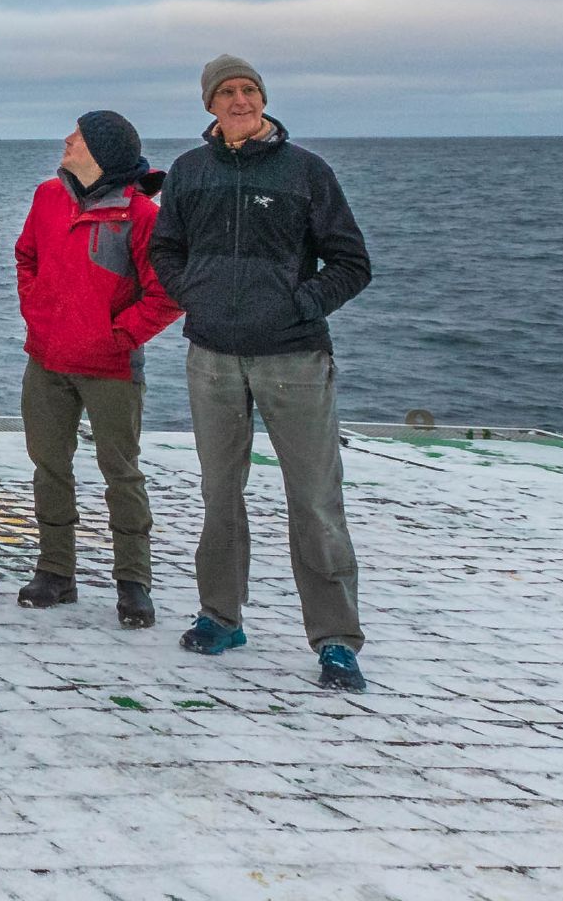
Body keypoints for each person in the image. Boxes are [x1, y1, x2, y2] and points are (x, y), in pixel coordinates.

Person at [147, 55, 375, 692]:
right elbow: (165, 249)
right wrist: (197, 295)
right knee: (220, 493)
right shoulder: (190, 172)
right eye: (227, 92)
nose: (240, 100)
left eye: (249, 89)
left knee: (314, 500)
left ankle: (335, 640)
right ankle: (221, 615)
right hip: (212, 355)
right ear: (210, 105)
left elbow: (352, 263)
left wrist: (298, 306)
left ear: (264, 99)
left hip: (294, 358)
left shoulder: (306, 171)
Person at [14, 110, 180, 628]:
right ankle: (55, 571)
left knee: (121, 473)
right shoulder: (48, 197)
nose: (67, 140)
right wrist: (39, 315)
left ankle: (134, 582)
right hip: (46, 360)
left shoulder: (142, 216)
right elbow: (26, 258)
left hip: (111, 369)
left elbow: (168, 293)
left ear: (103, 152)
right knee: (49, 467)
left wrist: (116, 338)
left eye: (79, 136)